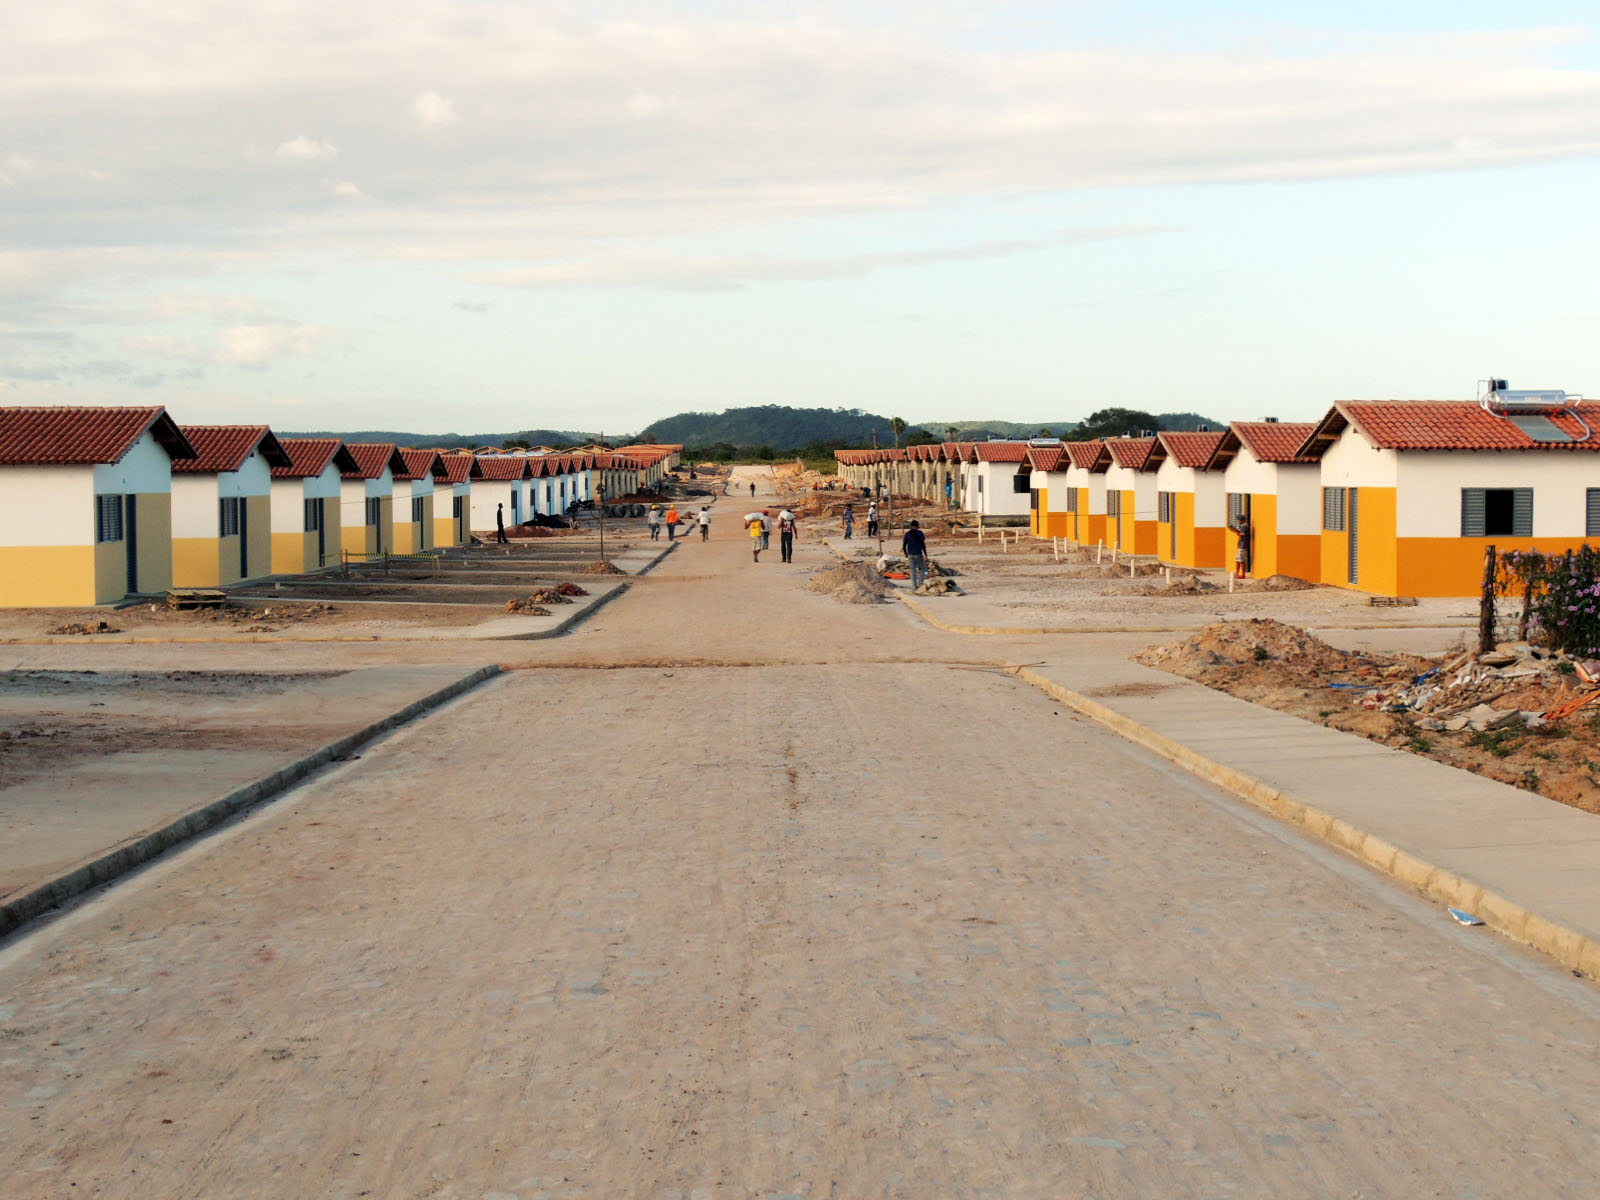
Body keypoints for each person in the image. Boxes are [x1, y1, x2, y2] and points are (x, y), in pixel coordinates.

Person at [903, 519, 928, 589]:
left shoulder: (907, 534)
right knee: (923, 569)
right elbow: (923, 544)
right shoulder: (920, 533)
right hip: (918, 554)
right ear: (917, 526)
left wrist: (905, 553)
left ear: (911, 526)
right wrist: (926, 554)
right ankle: (920, 583)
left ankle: (914, 586)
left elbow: (904, 545)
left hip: (910, 554)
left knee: (913, 571)